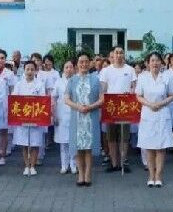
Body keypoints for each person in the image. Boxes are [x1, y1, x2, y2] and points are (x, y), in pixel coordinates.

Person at [136, 52, 173, 187]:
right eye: (152, 60)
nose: (155, 63)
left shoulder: (167, 77)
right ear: (148, 63)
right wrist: (150, 104)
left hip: (162, 113)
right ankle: (151, 175)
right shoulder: (142, 77)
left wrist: (160, 104)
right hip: (148, 113)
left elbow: (172, 95)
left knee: (161, 147)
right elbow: (138, 96)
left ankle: (158, 175)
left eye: (157, 60)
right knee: (149, 147)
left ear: (161, 63)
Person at [65, 53, 104, 186]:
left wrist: (90, 107)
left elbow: (101, 99)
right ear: (77, 64)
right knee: (78, 147)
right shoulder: (72, 80)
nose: (84, 64)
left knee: (89, 147)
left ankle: (88, 175)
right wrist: (78, 107)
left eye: (86, 61)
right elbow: (66, 99)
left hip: (91, 117)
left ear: (90, 63)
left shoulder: (95, 79)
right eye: (81, 62)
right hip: (76, 118)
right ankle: (80, 174)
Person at [99, 46, 137, 173]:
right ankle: (114, 163)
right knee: (111, 137)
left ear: (124, 55)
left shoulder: (130, 69)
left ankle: (123, 162)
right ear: (112, 55)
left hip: (124, 107)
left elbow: (134, 87)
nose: (119, 55)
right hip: (111, 107)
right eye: (117, 53)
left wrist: (130, 92)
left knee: (124, 137)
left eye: (121, 52)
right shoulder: (106, 71)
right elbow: (103, 89)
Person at [12, 60, 46, 176]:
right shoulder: (19, 84)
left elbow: (42, 100)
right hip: (23, 118)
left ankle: (33, 166)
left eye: (32, 69)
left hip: (36, 117)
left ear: (35, 71)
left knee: (35, 142)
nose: (30, 71)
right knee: (24, 143)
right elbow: (14, 99)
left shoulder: (40, 84)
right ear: (24, 70)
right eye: (28, 69)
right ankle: (27, 166)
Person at [52, 59, 77, 174]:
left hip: (74, 114)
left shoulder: (77, 81)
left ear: (74, 68)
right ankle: (64, 165)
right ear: (63, 69)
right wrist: (54, 115)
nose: (69, 69)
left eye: (71, 67)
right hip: (61, 114)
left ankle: (73, 165)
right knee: (63, 143)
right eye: (66, 67)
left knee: (73, 142)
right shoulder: (58, 82)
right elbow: (53, 99)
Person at [0, 48, 15, 166]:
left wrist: (11, 106)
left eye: (2, 58)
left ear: (5, 59)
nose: (0, 60)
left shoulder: (9, 74)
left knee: (4, 132)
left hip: (5, 106)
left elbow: (12, 91)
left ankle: (2, 156)